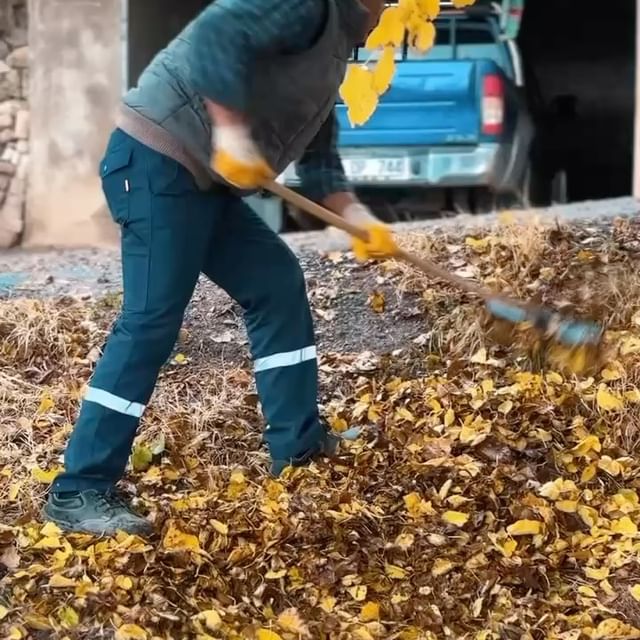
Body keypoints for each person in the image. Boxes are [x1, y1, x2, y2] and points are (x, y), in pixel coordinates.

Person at [44, 0, 393, 536]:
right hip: (156, 158)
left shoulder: (333, 51)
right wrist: (230, 132)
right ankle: (79, 489)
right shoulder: (305, 6)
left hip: (202, 183)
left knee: (275, 281)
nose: (388, 9)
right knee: (152, 320)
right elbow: (216, 35)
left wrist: (357, 215)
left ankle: (298, 447)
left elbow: (320, 159)